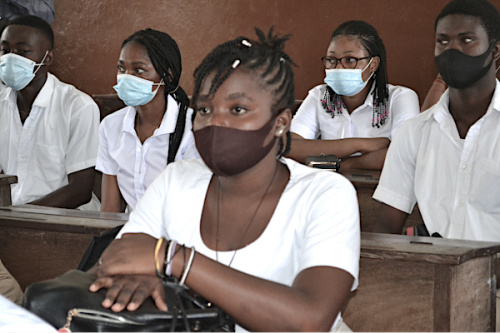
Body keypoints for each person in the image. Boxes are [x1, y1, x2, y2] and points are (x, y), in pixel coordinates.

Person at [90, 28, 360, 332]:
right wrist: (140, 274)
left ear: (280, 123)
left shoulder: (326, 194)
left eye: (238, 109)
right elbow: (120, 257)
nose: (216, 122)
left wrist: (174, 260)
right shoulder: (177, 180)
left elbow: (310, 319)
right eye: (204, 109)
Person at [372, 0, 500, 241]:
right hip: (435, 272)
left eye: (466, 40)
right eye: (443, 41)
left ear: (494, 51)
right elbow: (387, 227)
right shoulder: (414, 133)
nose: (452, 50)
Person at [288, 20, 420, 170]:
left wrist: (342, 165)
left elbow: (403, 154)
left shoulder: (400, 97)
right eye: (331, 60)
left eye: (350, 60)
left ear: (373, 64)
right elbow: (290, 147)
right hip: (329, 189)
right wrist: (360, 144)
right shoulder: (320, 95)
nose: (338, 67)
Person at [0, 15, 100, 210]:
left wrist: (22, 217)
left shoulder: (78, 107)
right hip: (10, 217)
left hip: (64, 220)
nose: (11, 58)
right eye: (5, 50)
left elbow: (80, 190)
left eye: (23, 51)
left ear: (48, 57)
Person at [96, 29, 199, 213]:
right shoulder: (110, 127)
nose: (127, 77)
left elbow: (193, 207)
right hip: (128, 235)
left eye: (139, 70)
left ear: (167, 75)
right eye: (121, 68)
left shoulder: (192, 129)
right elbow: (110, 210)